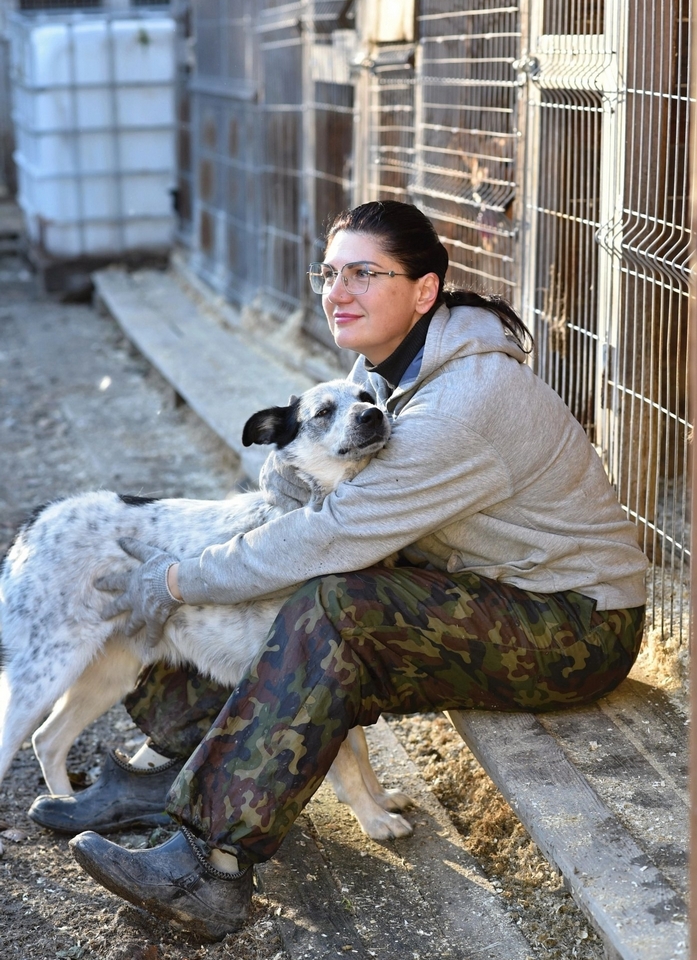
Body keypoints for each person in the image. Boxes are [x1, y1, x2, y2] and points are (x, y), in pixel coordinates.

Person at [29, 200, 648, 941]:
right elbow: (311, 508)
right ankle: (178, 763)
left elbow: (327, 541)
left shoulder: (461, 402)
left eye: (364, 274)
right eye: (329, 273)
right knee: (240, 585)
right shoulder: (385, 375)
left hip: (573, 623)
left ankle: (208, 867)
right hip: (493, 592)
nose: (338, 292)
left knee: (326, 606)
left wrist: (170, 580)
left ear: (424, 291)